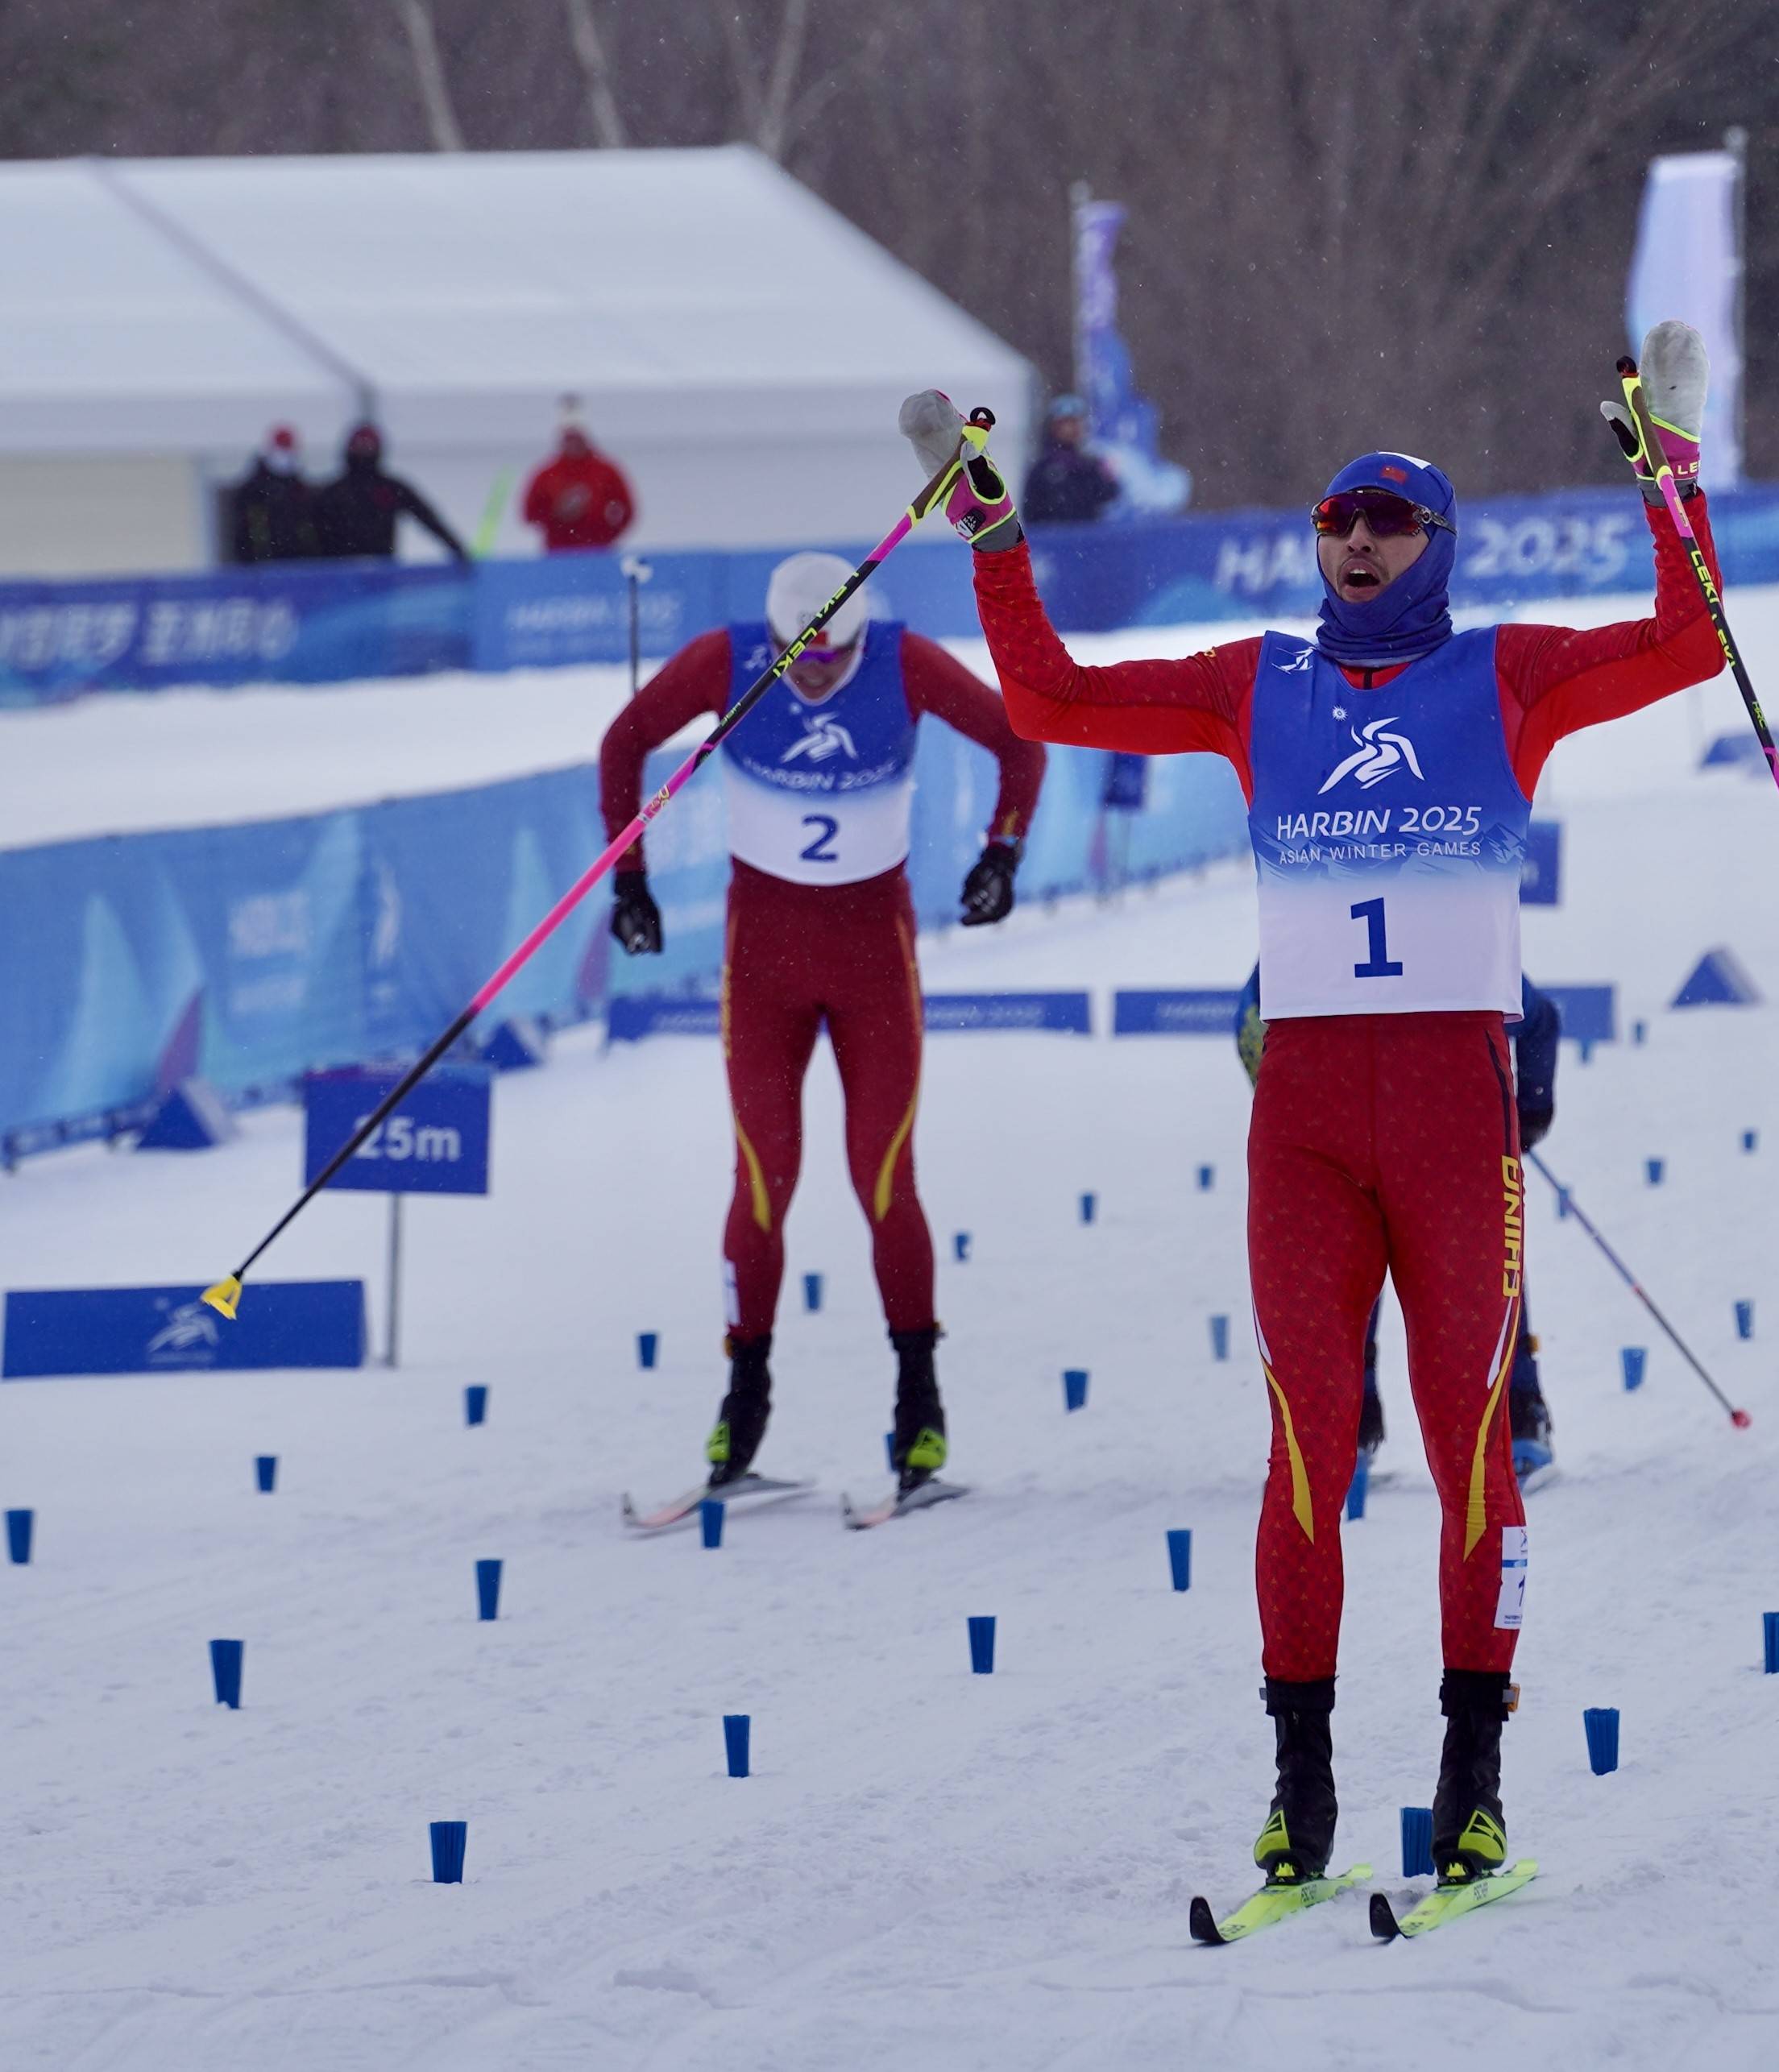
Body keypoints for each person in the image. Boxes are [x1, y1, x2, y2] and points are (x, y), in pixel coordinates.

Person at [939, 323, 1722, 1906]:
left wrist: (1673, 484)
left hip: (1453, 1117)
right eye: (1335, 520)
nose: (1356, 539)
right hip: (1301, 1115)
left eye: (1388, 520)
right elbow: (1042, 699)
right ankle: (1298, 1787)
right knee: (1304, 1444)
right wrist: (997, 536)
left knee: (1469, 1451)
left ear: (1438, 544)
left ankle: (1473, 1780)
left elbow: (1691, 643)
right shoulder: (1257, 681)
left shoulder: (1505, 671)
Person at [597, 554, 1046, 1510]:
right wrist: (626, 878)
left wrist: (1000, 855)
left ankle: (919, 1412)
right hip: (761, 966)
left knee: (883, 1178)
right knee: (762, 1182)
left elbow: (1021, 743)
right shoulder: (727, 663)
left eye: (828, 659)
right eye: (793, 660)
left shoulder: (905, 660)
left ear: (855, 636)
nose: (809, 675)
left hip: (872, 963)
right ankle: (742, 1409)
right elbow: (623, 741)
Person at [1234, 967, 1563, 1483]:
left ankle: (1517, 1419)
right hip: (1364, 1136)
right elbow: (1251, 1025)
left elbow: (1539, 1019)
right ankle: (1354, 1432)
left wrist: (1528, 1110)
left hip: (1444, 1142)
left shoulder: (1449, 926)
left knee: (1481, 1280)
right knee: (1368, 1276)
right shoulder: (1336, 923)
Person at [310, 421, 473, 564]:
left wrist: (456, 548)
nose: (363, 451)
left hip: (381, 578)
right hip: (341, 580)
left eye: (368, 446)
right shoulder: (331, 493)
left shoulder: (391, 489)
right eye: (359, 446)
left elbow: (428, 518)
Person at [522, 402, 637, 549]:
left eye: (577, 438)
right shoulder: (546, 475)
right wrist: (556, 514)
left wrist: (608, 534)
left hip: (598, 552)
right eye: (569, 439)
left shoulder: (606, 471)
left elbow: (627, 510)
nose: (573, 444)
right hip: (558, 553)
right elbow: (529, 514)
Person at [1022, 394, 1122, 525]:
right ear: (1054, 427)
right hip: (1053, 541)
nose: (1073, 428)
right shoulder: (1042, 469)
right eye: (1067, 423)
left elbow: (1110, 498)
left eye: (1077, 422)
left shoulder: (1092, 465)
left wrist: (1110, 478)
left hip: (1089, 541)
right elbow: (1030, 514)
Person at [226, 425, 319, 563]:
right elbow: (246, 532)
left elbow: (307, 528)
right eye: (282, 449)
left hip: (297, 563)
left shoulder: (300, 490)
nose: (286, 456)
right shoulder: (252, 491)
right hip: (261, 566)